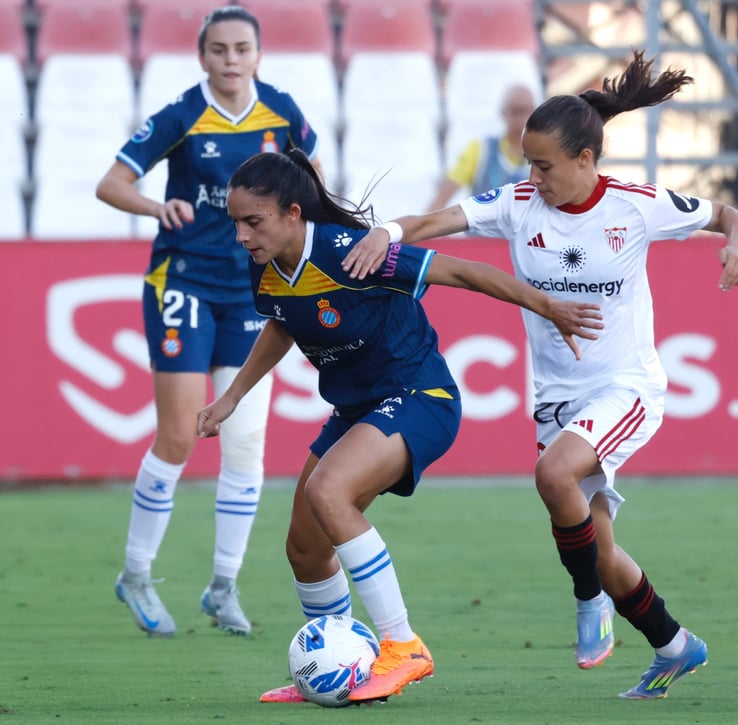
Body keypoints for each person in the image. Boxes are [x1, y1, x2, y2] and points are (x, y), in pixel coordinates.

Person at [340, 50, 738, 699]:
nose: (531, 176)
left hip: (625, 388)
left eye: (543, 165)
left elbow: (729, 214)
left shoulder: (636, 205)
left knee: (554, 476)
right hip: (557, 399)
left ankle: (588, 603)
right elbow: (436, 221)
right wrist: (386, 231)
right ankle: (675, 645)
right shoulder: (519, 202)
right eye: (528, 163)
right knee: (602, 549)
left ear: (585, 160)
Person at [196, 148, 602, 704]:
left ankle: (403, 645)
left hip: (419, 397)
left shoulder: (349, 253)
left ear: (292, 213)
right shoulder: (264, 263)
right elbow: (282, 322)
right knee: (305, 547)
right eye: (236, 223)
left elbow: (463, 271)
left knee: (329, 491)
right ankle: (338, 667)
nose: (242, 235)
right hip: (356, 410)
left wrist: (547, 306)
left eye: (253, 221)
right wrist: (232, 396)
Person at [94, 5, 322, 638]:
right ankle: (136, 573)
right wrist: (154, 207)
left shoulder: (281, 111)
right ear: (202, 57)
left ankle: (223, 586)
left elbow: (312, 184)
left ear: (258, 55)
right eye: (218, 50)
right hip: (183, 283)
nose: (230, 60)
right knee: (178, 435)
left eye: (241, 49)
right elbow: (110, 183)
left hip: (252, 292)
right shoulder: (181, 115)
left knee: (245, 442)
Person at [425, 84, 535, 212]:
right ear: (503, 112)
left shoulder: (547, 154)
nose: (522, 119)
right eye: (516, 112)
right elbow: (441, 199)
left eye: (527, 111)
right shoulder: (480, 150)